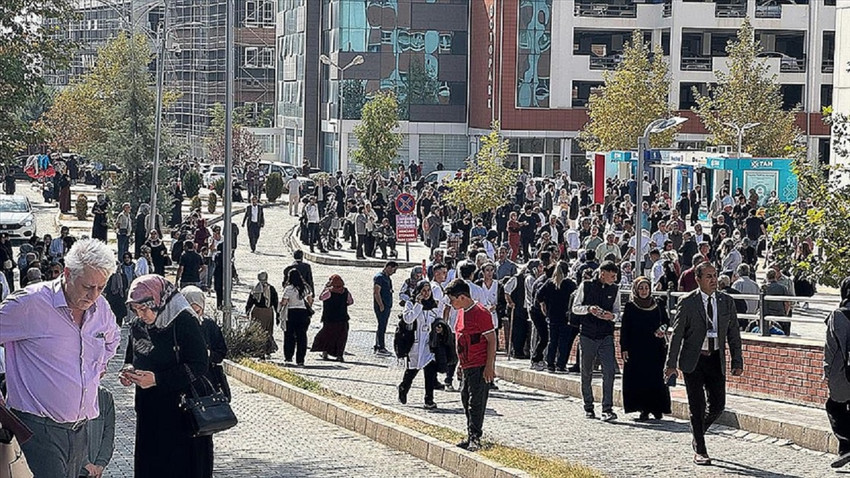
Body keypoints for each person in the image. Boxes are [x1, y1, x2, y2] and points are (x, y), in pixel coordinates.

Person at [0, 239, 120, 478]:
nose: (93, 295)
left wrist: (98, 366)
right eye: (87, 286)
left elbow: (112, 339)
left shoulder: (101, 307)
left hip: (80, 433)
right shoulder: (30, 303)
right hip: (36, 430)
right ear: (67, 273)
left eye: (100, 287)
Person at [121, 275, 212, 477]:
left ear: (159, 301)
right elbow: (132, 356)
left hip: (182, 413)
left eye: (144, 308)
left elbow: (199, 364)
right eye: (136, 309)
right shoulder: (138, 325)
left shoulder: (183, 321)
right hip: (150, 412)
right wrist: (127, 371)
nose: (140, 314)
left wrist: (157, 379)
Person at [665, 262, 743, 466]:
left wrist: (737, 359)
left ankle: (698, 431)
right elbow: (677, 334)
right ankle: (700, 448)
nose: (713, 280)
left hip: (716, 358)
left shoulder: (726, 301)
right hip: (694, 359)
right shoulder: (688, 302)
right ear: (698, 279)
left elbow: (734, 332)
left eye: (715, 275)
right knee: (697, 405)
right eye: (708, 276)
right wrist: (670, 364)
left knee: (718, 404)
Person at [444, 279, 496, 452]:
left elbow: (492, 340)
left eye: (452, 300)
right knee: (465, 399)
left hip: (479, 365)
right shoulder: (460, 312)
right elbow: (461, 340)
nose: (451, 304)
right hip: (466, 365)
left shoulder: (481, 313)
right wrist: (459, 364)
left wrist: (489, 366)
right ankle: (470, 434)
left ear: (462, 297)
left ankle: (475, 437)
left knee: (476, 402)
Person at [572, 260, 621, 421]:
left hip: (606, 334)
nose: (614, 278)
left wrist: (611, 316)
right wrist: (589, 309)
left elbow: (617, 312)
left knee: (609, 371)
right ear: (602, 273)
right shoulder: (586, 286)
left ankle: (607, 407)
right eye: (612, 275)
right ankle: (588, 406)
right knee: (586, 372)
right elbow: (575, 307)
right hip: (587, 334)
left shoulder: (615, 290)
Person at [620, 277, 671, 421]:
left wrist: (662, 329)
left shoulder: (658, 304)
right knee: (639, 379)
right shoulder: (630, 306)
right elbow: (625, 329)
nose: (644, 291)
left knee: (656, 379)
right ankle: (643, 409)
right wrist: (624, 347)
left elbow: (666, 321)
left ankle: (657, 408)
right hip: (636, 349)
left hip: (655, 348)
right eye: (641, 288)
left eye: (646, 288)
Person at [181, 285, 230, 401]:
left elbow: (221, 353)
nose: (194, 316)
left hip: (206, 385)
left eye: (197, 311)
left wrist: (208, 354)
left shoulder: (209, 326)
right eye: (189, 312)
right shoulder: (176, 326)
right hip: (182, 384)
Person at [398, 281, 440, 410]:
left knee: (430, 373)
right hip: (415, 344)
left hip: (429, 344)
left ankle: (429, 400)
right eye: (423, 291)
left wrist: (440, 329)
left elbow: (438, 319)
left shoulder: (434, 305)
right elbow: (408, 319)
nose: (426, 293)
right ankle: (403, 388)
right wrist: (418, 305)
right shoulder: (411, 304)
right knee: (412, 370)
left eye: (428, 291)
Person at [825, 277, 850, 468]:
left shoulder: (838, 315)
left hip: (844, 374)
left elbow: (832, 350)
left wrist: (828, 374)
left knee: (834, 407)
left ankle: (846, 446)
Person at [536, 261, 578, 373]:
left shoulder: (550, 283)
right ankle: (561, 364)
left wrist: (543, 305)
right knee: (563, 342)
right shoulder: (570, 284)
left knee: (552, 341)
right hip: (565, 317)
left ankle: (550, 364)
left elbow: (538, 295)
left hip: (552, 316)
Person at [311, 274, 352, 362]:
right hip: (342, 318)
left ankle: (325, 353)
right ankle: (339, 356)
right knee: (341, 338)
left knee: (327, 336)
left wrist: (326, 287)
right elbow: (350, 301)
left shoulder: (328, 292)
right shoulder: (345, 291)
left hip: (329, 318)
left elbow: (321, 297)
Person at [79, 386, 115, 478]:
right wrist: (85, 462)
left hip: (94, 471)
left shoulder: (105, 396)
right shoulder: (67, 394)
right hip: (69, 468)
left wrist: (100, 464)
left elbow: (108, 434)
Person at [280, 269, 313, 366]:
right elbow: (310, 300)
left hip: (291, 313)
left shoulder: (288, 289)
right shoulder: (305, 287)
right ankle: (300, 360)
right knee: (302, 337)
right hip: (303, 313)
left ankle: (288, 357)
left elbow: (284, 302)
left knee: (289, 335)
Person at [246, 271, 279, 357]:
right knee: (267, 331)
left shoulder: (255, 288)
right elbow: (275, 302)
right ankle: (266, 350)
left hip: (257, 311)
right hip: (268, 312)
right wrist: (278, 314)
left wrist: (247, 311)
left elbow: (250, 301)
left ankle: (259, 350)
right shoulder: (271, 289)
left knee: (257, 331)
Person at [373, 261, 398, 355]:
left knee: (383, 325)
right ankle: (380, 347)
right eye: (393, 269)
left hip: (387, 305)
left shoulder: (387, 278)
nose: (394, 272)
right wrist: (380, 305)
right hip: (382, 306)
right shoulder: (379, 277)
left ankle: (378, 344)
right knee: (381, 325)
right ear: (388, 267)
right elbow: (376, 292)